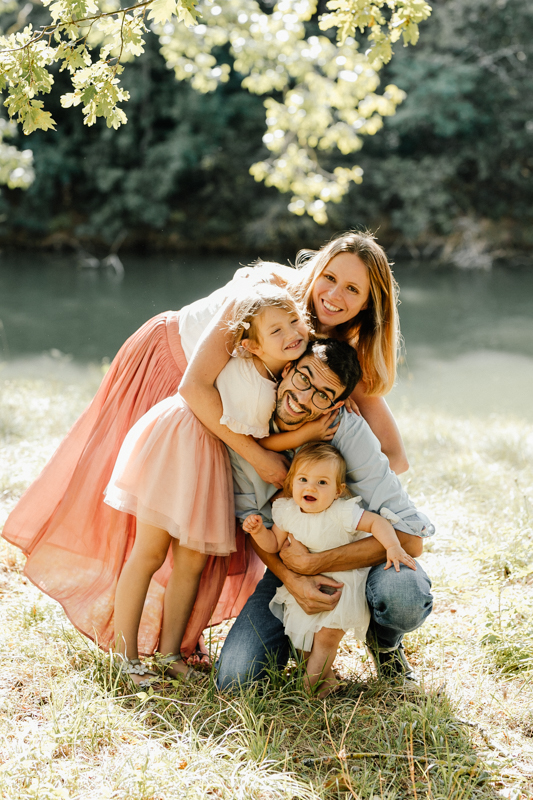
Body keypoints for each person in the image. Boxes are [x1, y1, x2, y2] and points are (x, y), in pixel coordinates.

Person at [2, 231, 406, 665]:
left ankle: (174, 648)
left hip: (222, 419)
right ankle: (125, 645)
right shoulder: (272, 297)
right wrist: (263, 458)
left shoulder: (334, 350)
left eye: (352, 289)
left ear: (369, 303)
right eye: (329, 277)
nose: (334, 294)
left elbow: (394, 457)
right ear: (315, 269)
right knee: (148, 530)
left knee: (198, 542)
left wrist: (332, 514)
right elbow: (194, 387)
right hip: (175, 369)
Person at [103, 283, 336, 682]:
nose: (290, 334)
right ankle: (124, 659)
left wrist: (305, 433)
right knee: (150, 551)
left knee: (192, 559)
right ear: (251, 346)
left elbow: (263, 435)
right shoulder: (241, 360)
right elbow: (201, 383)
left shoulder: (289, 375)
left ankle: (170, 654)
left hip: (213, 457)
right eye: (276, 331)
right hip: (180, 440)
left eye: (294, 323)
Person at [216, 339, 435, 691]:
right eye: (303, 378)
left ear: (334, 405)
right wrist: (293, 580)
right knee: (235, 680)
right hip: (290, 565)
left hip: (357, 560)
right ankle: (299, 643)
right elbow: (258, 528)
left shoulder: (346, 431)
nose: (304, 398)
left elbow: (411, 539)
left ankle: (385, 644)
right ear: (287, 369)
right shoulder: (247, 429)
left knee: (404, 596)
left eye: (322, 395)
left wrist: (313, 564)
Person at [243, 443, 417, 697]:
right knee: (302, 636)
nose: (311, 487)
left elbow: (377, 522)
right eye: (303, 479)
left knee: (326, 639)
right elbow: (272, 544)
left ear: (338, 491)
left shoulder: (342, 511)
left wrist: (392, 546)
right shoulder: (287, 511)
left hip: (342, 585)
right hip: (305, 582)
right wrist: (259, 532)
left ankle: (308, 688)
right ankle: (326, 681)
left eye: (322, 482)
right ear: (291, 484)